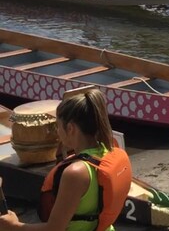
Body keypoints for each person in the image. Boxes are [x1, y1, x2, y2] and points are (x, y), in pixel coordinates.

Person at [0, 87, 131, 231]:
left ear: (71, 129)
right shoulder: (110, 152)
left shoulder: (76, 173)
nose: (57, 132)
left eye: (58, 126)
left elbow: (54, 229)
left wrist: (14, 226)